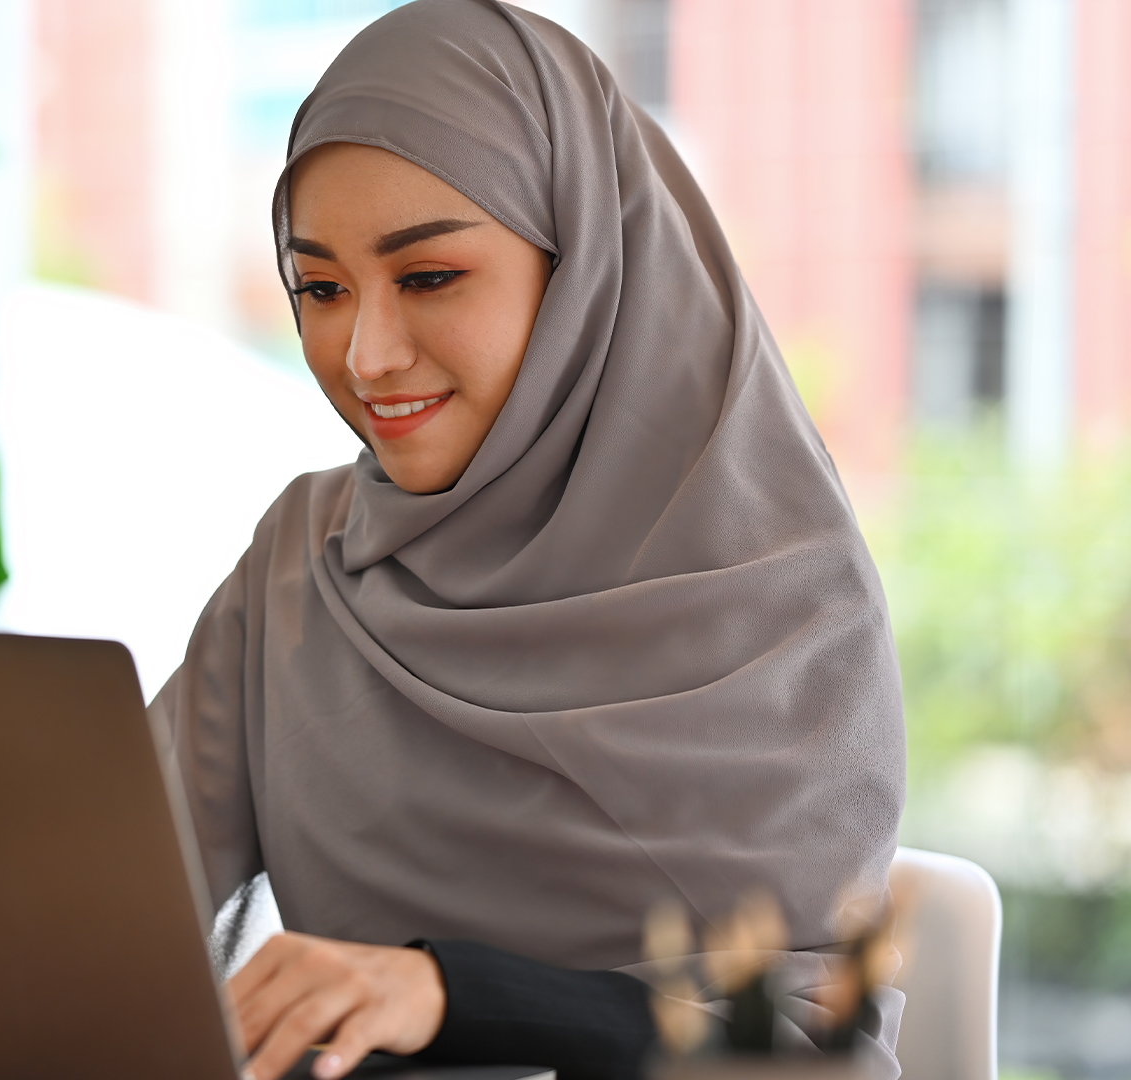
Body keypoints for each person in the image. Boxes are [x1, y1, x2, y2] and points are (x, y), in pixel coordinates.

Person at [145, 3, 909, 1079]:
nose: (365, 354)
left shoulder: (780, 605)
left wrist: (455, 994)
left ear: (586, 276)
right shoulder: (300, 571)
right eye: (320, 289)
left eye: (428, 278)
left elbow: (808, 1050)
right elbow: (100, 901)